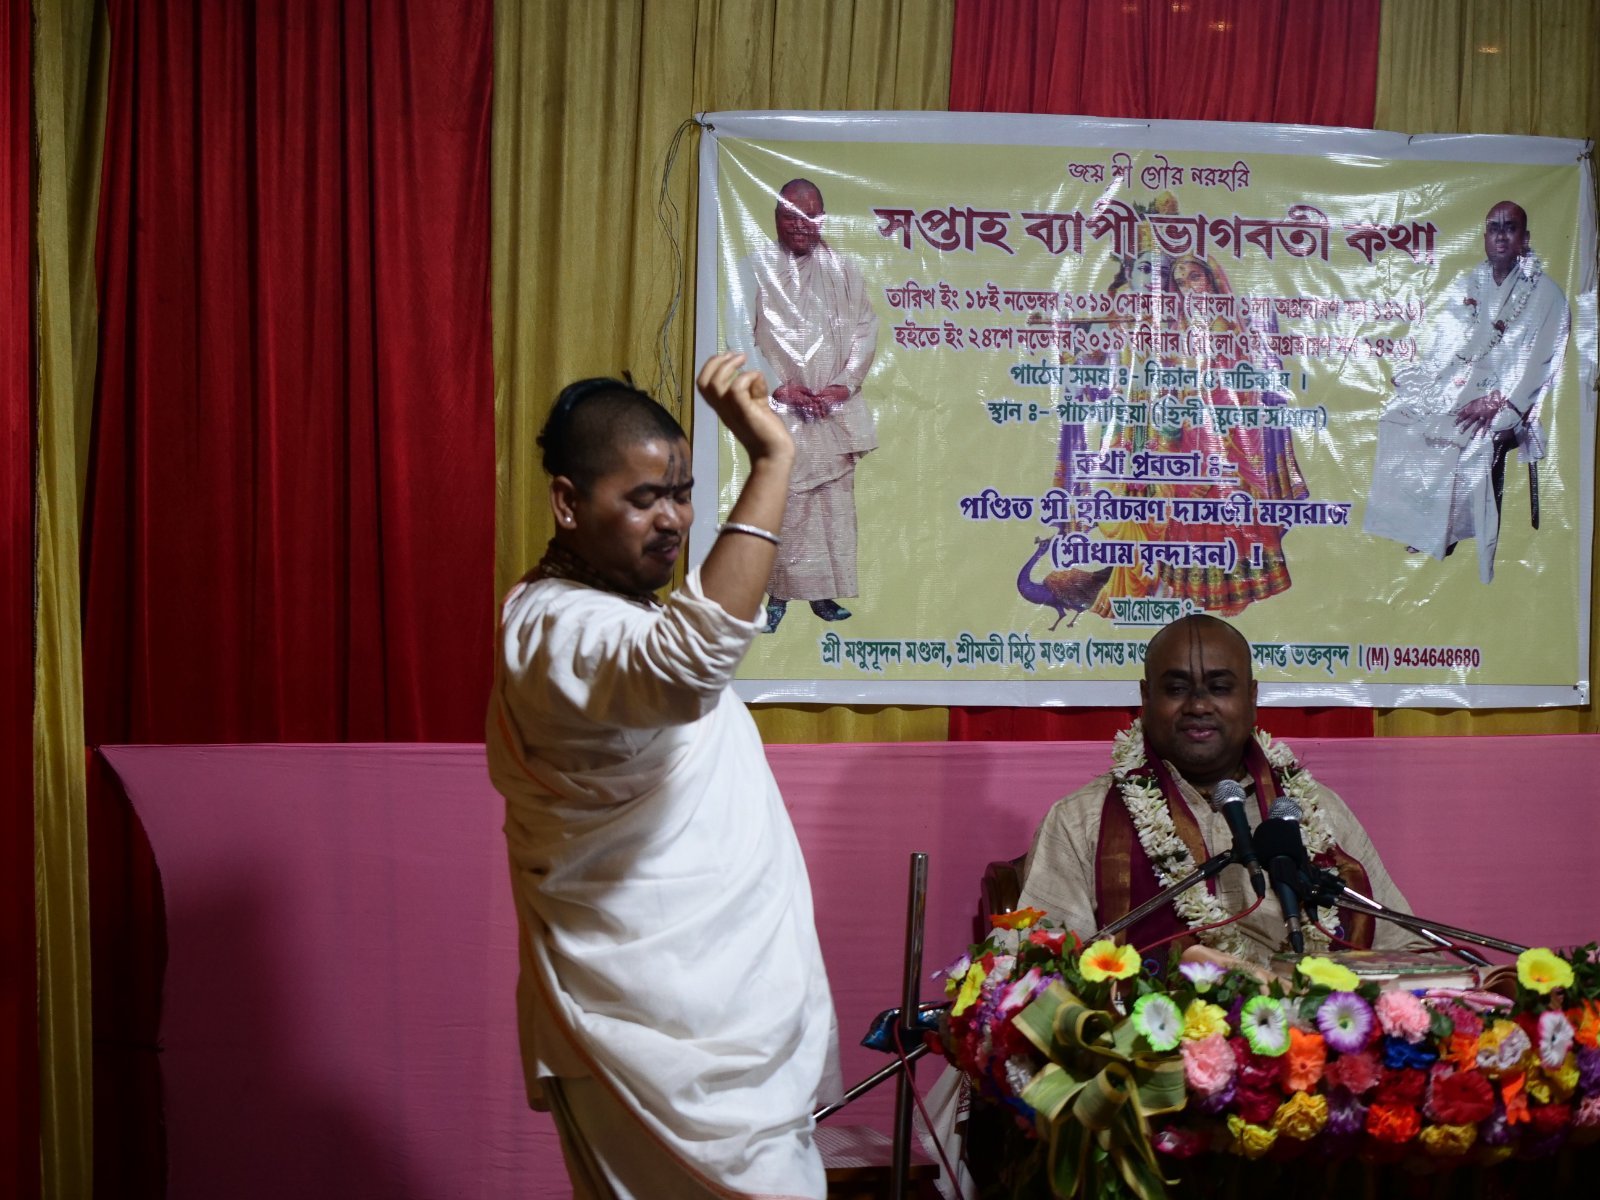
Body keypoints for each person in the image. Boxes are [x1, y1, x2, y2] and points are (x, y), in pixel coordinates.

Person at [486, 352, 841, 1199]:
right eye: (642, 498)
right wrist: (775, 460)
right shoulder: (555, 628)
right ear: (568, 503)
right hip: (640, 1044)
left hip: (726, 1038)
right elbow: (688, 670)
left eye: (680, 492)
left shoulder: (616, 614)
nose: (673, 519)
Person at [1017, 613, 1417, 964]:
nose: (1198, 706)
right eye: (1176, 689)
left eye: (1220, 687)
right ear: (1145, 698)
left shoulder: (1314, 811)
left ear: (1252, 697)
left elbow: (1403, 947)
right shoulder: (1081, 820)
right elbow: (1035, 965)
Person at [1363, 200, 1571, 584]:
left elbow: (1542, 367)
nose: (1501, 235)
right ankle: (1420, 524)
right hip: (1460, 388)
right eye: (1494, 228)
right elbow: (1447, 346)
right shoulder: (1470, 283)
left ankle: (1448, 533)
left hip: (1509, 401)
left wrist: (1499, 404)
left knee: (1462, 435)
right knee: (1397, 417)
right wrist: (1423, 378)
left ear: (1525, 238)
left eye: (1510, 228)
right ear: (1485, 237)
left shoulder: (1547, 295)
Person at [725, 177, 879, 634]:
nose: (801, 226)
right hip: (781, 412)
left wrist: (844, 386)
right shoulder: (753, 267)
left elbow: (865, 330)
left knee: (832, 505)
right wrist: (777, 387)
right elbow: (740, 337)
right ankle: (776, 598)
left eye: (810, 216)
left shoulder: (845, 270)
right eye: (791, 216)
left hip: (832, 412)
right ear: (776, 218)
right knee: (783, 505)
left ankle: (823, 595)